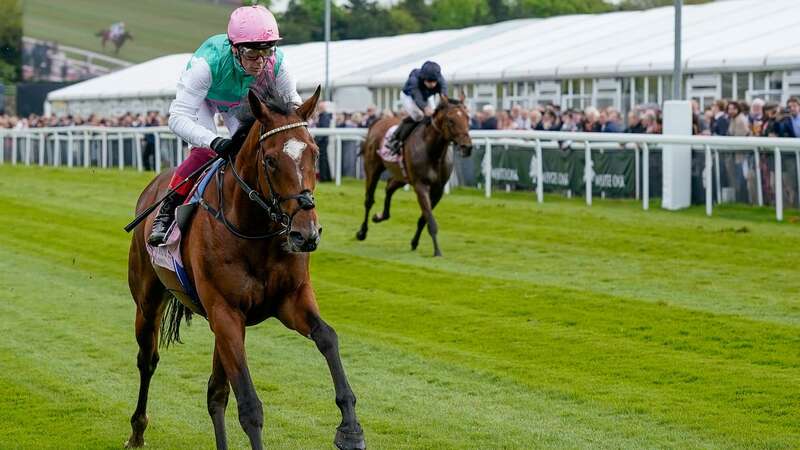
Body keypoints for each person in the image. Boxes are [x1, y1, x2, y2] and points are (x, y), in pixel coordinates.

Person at [148, 5, 301, 245]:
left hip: (240, 102)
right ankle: (167, 211)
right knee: (205, 151)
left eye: (267, 52)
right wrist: (214, 140)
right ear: (235, 49)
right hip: (205, 99)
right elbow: (177, 117)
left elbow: (294, 107)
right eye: (252, 55)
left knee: (252, 150)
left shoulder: (278, 63)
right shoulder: (206, 65)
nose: (260, 62)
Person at [385, 61, 447, 154]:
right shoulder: (414, 80)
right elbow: (417, 97)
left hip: (427, 96)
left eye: (434, 81)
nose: (433, 84)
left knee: (435, 115)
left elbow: (444, 94)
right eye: (429, 81)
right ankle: (395, 138)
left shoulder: (440, 79)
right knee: (418, 116)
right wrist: (425, 108)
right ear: (423, 78)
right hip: (409, 96)